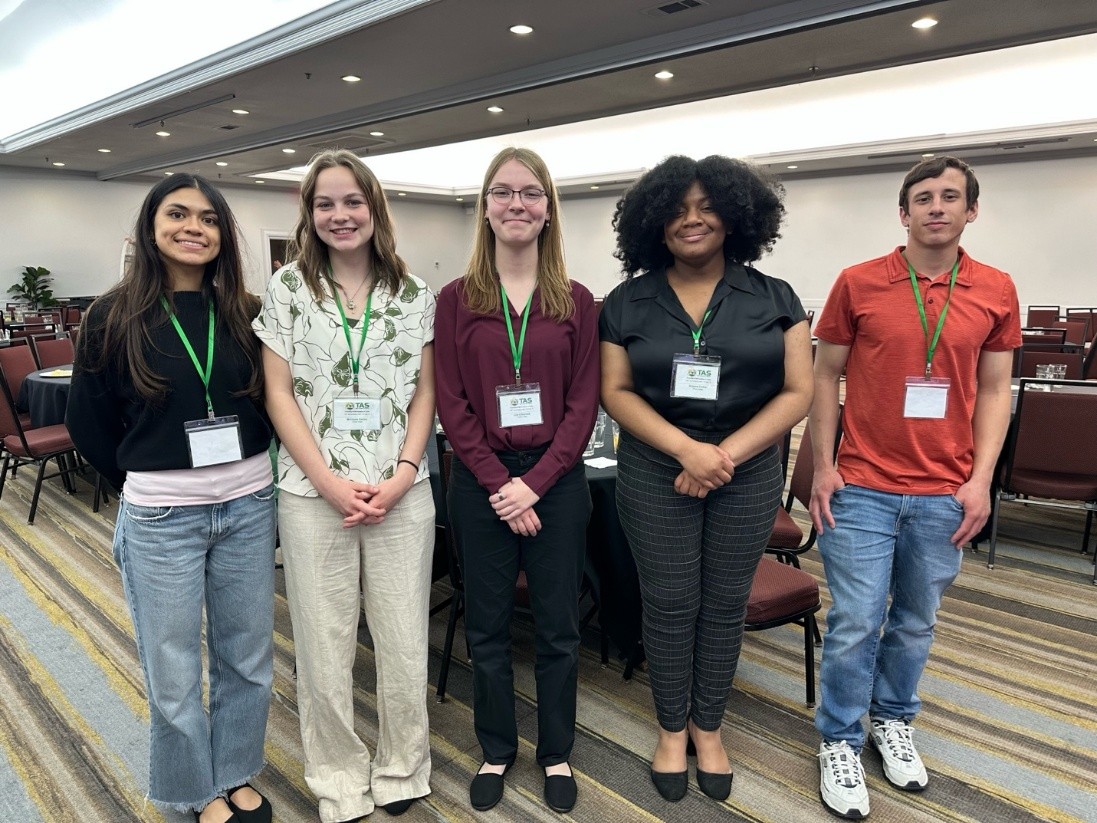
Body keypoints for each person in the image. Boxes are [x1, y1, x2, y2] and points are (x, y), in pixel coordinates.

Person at [808, 156, 1021, 819]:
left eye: (949, 196)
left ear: (970, 210)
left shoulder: (994, 287)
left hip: (943, 492)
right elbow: (823, 377)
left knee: (914, 624)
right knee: (853, 622)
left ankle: (891, 718)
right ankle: (839, 737)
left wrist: (980, 480)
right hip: (863, 485)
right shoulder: (858, 282)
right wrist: (821, 464)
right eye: (922, 198)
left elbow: (993, 390)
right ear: (902, 213)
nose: (935, 206)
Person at [600, 154, 814, 803]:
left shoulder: (775, 297)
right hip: (652, 469)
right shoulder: (625, 300)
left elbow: (798, 390)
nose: (690, 219)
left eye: (705, 205)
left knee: (722, 605)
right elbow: (614, 389)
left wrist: (723, 454)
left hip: (745, 474)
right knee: (666, 604)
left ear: (736, 215)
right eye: (676, 208)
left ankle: (708, 724)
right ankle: (670, 726)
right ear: (652, 221)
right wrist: (686, 450)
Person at [67, 174, 276, 823]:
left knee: (248, 657)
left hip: (247, 504)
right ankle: (195, 789)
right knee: (174, 667)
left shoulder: (243, 309)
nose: (195, 227)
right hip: (161, 515)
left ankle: (237, 769)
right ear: (152, 225)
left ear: (222, 235)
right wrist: (149, 476)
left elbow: (272, 403)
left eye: (209, 218)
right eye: (178, 214)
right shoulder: (114, 313)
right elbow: (89, 422)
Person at [254, 149, 436, 822]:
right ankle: (336, 774)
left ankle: (401, 766)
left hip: (401, 494)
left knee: (400, 637)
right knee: (323, 642)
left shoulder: (414, 293)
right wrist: (329, 481)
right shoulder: (287, 290)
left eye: (352, 201)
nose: (339, 215)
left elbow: (425, 397)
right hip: (312, 494)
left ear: (374, 207)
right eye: (324, 203)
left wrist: (404, 473)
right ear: (308, 214)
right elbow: (277, 394)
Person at [435, 147, 598, 814]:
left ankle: (555, 750)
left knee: (559, 628)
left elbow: (583, 402)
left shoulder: (578, 302)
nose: (516, 205)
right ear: (484, 208)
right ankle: (496, 747)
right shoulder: (456, 299)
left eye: (530, 193)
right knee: (488, 627)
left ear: (548, 209)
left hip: (556, 485)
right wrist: (499, 481)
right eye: (501, 193)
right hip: (479, 484)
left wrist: (534, 484)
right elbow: (451, 401)